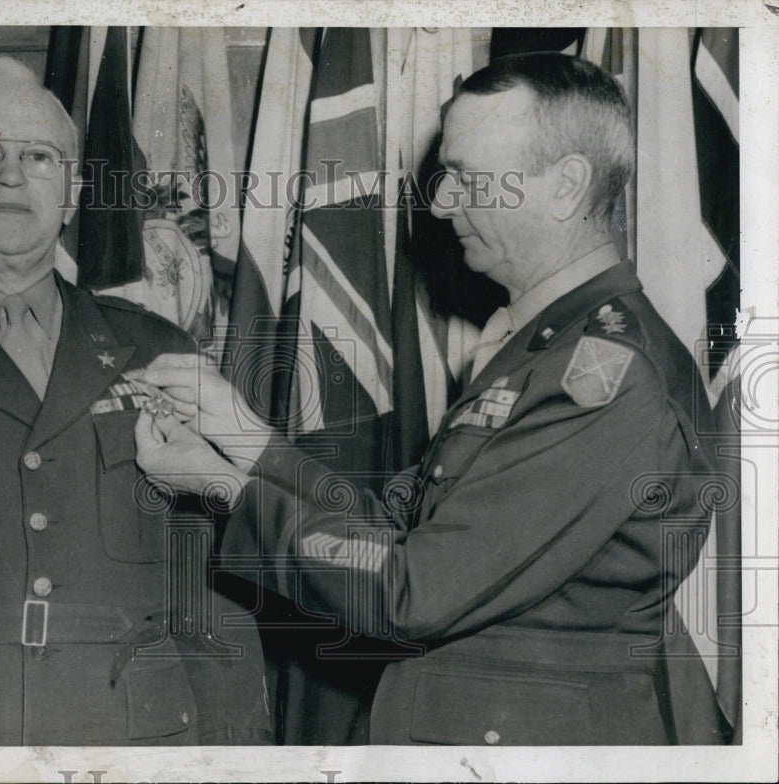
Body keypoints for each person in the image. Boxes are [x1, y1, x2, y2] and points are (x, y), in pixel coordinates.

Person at [132, 53, 731, 745]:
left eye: (467, 178)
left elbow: (411, 588)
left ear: (566, 186)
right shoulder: (543, 348)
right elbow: (396, 537)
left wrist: (226, 488)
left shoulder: (602, 376)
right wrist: (242, 437)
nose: (441, 203)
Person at [0, 57, 271, 746]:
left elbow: (210, 593)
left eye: (39, 156)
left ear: (72, 194)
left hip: (128, 737)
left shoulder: (158, 350)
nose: (11, 174)